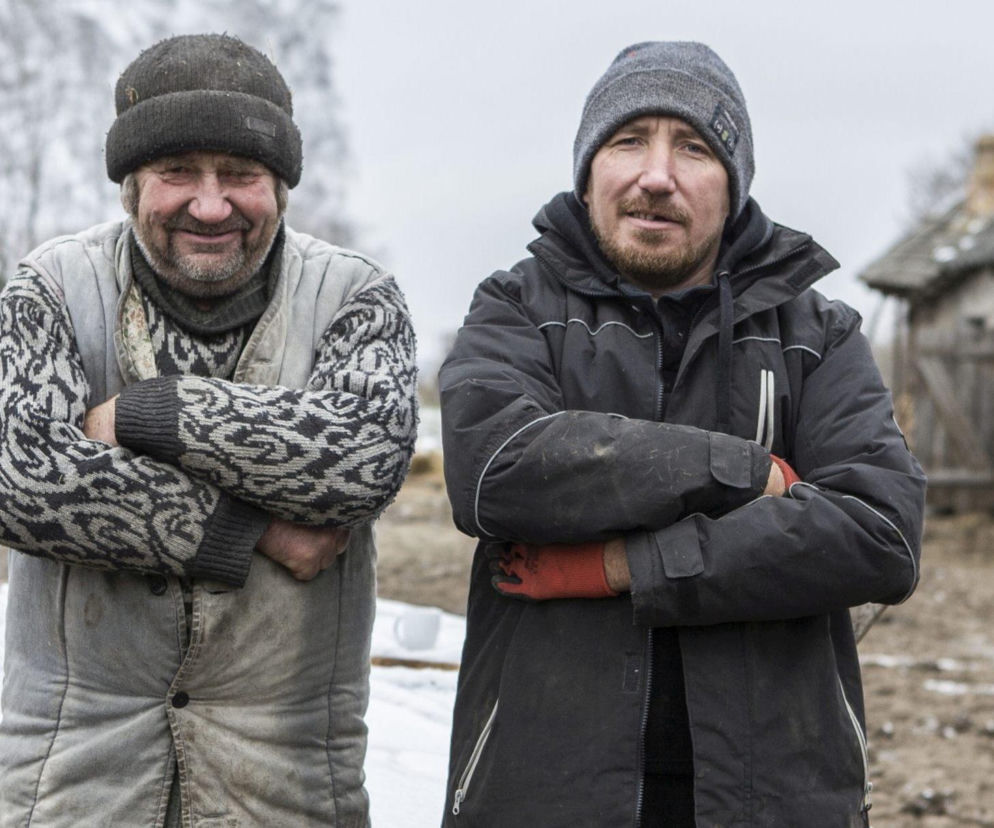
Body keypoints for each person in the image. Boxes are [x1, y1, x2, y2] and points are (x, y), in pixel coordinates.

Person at [439, 41, 926, 827]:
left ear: (733, 186)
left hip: (775, 800)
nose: (657, 175)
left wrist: (625, 566)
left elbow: (880, 532)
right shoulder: (517, 307)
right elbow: (494, 471)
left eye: (694, 147)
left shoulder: (818, 334)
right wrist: (743, 471)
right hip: (542, 794)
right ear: (589, 172)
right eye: (629, 141)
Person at [0, 34, 417, 827]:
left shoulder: (356, 298)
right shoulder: (49, 289)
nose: (211, 204)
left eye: (241, 174)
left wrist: (144, 415)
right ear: (131, 185)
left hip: (284, 789)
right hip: (72, 787)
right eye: (178, 171)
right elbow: (20, 477)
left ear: (281, 187)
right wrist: (247, 530)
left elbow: (361, 458)